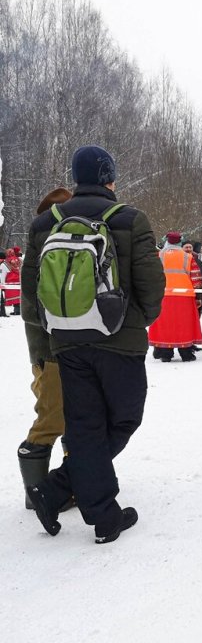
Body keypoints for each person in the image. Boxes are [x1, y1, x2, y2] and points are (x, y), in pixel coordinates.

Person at [20, 145, 165, 543]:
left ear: (76, 178)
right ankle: (58, 490)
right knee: (123, 420)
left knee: (84, 426)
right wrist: (137, 322)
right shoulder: (130, 219)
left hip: (67, 342)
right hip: (120, 340)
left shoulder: (43, 225)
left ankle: (97, 513)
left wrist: (57, 330)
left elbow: (30, 294)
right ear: (110, 179)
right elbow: (152, 287)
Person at [16, 188, 72, 510]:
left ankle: (67, 484)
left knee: (72, 417)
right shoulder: (41, 248)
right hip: (49, 352)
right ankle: (36, 492)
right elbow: (30, 306)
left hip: (62, 350)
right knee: (51, 418)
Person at [148, 232, 202, 361]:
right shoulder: (188, 256)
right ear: (180, 242)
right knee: (184, 324)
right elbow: (197, 279)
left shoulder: (159, 255)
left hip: (164, 294)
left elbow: (151, 276)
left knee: (165, 324)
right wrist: (198, 297)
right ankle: (186, 353)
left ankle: (165, 353)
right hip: (185, 295)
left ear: (167, 241)